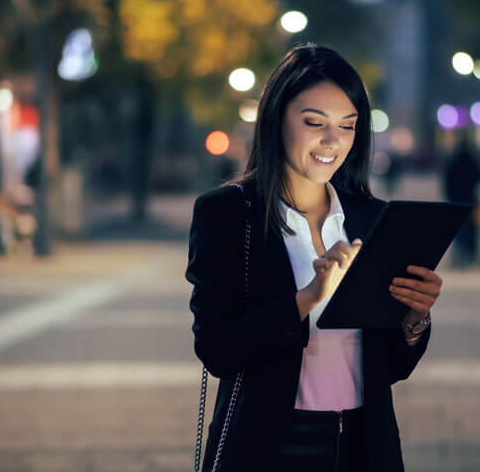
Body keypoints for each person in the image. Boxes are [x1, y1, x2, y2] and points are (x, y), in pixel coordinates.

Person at [186, 44, 442, 471]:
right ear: (276, 120)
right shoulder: (230, 214)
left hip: (362, 445)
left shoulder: (372, 218)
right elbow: (217, 350)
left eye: (347, 125)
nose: (332, 141)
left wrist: (416, 317)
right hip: (267, 447)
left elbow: (391, 367)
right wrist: (306, 299)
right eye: (313, 122)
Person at [442, 129, 480, 268]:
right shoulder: (472, 160)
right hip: (470, 198)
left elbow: (447, 180)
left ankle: (460, 256)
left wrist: (450, 196)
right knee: (472, 229)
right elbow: (479, 176)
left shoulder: (453, 161)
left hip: (457, 200)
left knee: (459, 230)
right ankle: (472, 254)